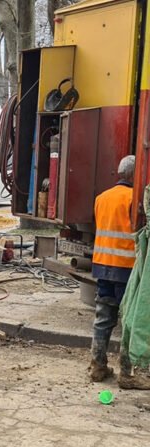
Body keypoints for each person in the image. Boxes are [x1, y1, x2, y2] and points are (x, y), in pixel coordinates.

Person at [89, 155, 150, 388]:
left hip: (103, 266)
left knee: (103, 318)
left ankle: (97, 366)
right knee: (129, 321)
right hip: (126, 270)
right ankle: (127, 373)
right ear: (135, 175)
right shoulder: (133, 200)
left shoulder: (101, 198)